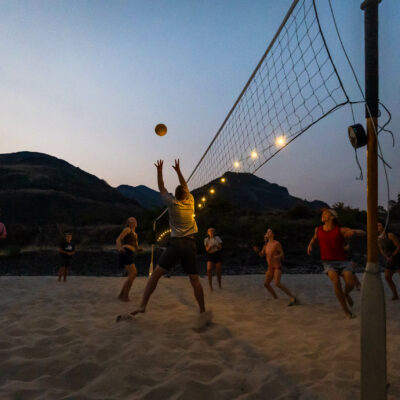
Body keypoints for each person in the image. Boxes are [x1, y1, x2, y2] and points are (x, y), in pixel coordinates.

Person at [117, 159, 211, 329]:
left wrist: (160, 171)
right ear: (186, 194)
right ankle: (203, 311)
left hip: (176, 244)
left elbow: (161, 188)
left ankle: (143, 305)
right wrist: (178, 170)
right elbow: (184, 185)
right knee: (194, 280)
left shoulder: (172, 204)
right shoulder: (190, 202)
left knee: (155, 275)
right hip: (190, 245)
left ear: (175, 196)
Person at [307, 208, 365, 318]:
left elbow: (362, 233)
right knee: (336, 282)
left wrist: (354, 232)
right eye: (322, 213)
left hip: (343, 261)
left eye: (326, 213)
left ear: (332, 217)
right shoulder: (318, 229)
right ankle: (346, 311)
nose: (323, 215)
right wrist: (310, 245)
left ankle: (346, 294)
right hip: (328, 263)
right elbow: (314, 238)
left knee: (351, 284)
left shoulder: (341, 230)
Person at [253, 228, 299, 306]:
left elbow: (282, 254)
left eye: (269, 231)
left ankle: (293, 298)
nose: (267, 232)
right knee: (266, 284)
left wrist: (278, 256)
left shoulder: (277, 243)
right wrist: (257, 251)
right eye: (267, 231)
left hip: (277, 267)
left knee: (277, 283)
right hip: (270, 268)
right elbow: (261, 254)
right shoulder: (266, 245)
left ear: (273, 234)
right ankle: (275, 298)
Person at [116, 217, 142, 301]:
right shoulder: (127, 230)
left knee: (132, 274)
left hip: (131, 253)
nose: (133, 220)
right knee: (133, 273)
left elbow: (136, 246)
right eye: (131, 220)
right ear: (128, 222)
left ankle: (121, 295)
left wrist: (139, 249)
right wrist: (119, 248)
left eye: (135, 219)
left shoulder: (135, 234)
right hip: (125, 252)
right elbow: (118, 240)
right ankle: (124, 296)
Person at [377, 221, 400, 300]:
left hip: (397, 258)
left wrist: (392, 255)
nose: (377, 227)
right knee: (387, 277)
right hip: (389, 259)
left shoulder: (390, 235)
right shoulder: (378, 238)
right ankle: (395, 295)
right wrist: (386, 257)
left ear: (384, 226)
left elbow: (399, 247)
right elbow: (381, 250)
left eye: (379, 225)